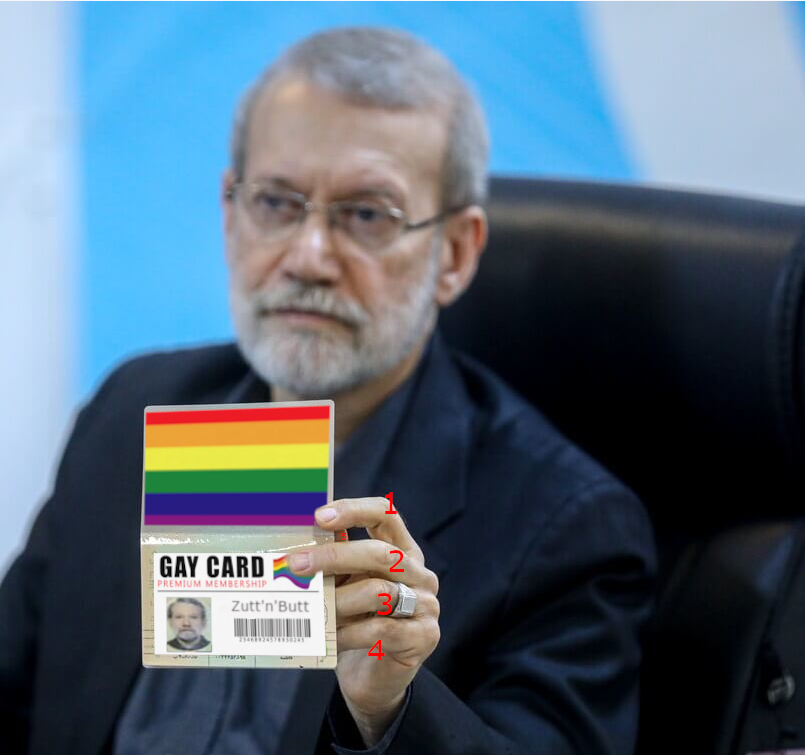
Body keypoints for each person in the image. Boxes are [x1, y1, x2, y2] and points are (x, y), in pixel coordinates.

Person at [0, 26, 656, 755]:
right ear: (230, 215)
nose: (308, 257)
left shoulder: (564, 527)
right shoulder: (132, 409)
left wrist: (388, 712)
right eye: (276, 203)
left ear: (455, 254)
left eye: (367, 215)